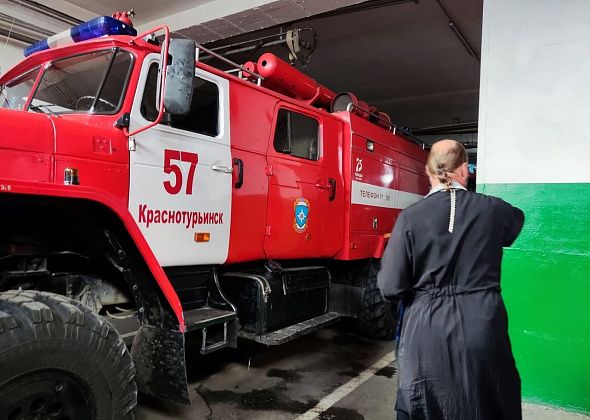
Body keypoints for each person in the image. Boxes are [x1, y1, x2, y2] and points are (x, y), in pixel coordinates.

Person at [377, 139, 525, 420]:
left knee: (425, 404)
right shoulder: (493, 209)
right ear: (465, 170)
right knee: (488, 402)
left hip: (426, 329)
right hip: (482, 324)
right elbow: (517, 220)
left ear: (427, 171)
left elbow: (390, 286)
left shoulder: (410, 218)